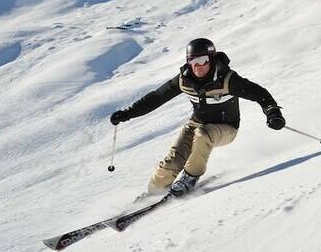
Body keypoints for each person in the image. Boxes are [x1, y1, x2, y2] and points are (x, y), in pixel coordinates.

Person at [110, 38, 285, 197]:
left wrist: (273, 112)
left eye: (203, 61)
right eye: (193, 61)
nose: (198, 66)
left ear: (211, 59)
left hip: (226, 128)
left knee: (203, 134)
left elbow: (259, 94)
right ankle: (153, 194)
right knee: (171, 162)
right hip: (196, 124)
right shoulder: (183, 80)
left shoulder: (228, 79)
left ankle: (190, 177)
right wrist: (127, 114)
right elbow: (156, 98)